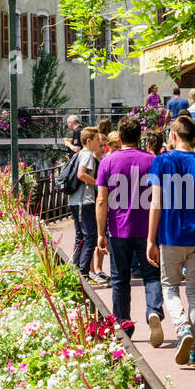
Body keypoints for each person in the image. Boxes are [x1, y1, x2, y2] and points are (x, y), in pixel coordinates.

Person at [146, 114, 195, 368]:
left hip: (171, 236)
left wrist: (151, 239)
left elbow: (156, 203)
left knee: (169, 288)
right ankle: (194, 353)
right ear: (194, 137)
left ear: (172, 136)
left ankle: (182, 328)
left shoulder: (161, 161)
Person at [96, 114, 164, 341]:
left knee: (120, 279)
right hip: (147, 230)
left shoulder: (107, 161)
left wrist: (100, 233)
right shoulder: (152, 160)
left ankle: (123, 325)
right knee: (152, 274)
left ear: (120, 136)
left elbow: (101, 200)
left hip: (118, 229)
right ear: (139, 136)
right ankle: (153, 310)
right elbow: (158, 199)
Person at [68, 126, 103, 281]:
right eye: (97, 140)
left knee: (81, 235)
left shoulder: (80, 154)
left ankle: (75, 270)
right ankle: (83, 272)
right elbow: (81, 174)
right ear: (89, 141)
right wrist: (97, 183)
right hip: (84, 201)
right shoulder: (88, 155)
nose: (99, 142)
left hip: (76, 200)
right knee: (90, 235)